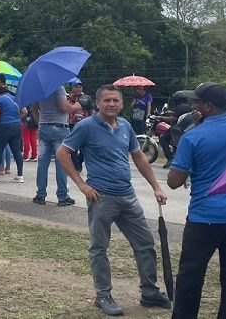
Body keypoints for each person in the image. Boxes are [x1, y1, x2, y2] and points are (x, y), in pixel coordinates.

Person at [57, 84, 171, 317]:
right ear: (98, 103)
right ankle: (103, 295)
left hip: (128, 196)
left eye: (116, 100)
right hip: (101, 197)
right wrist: (82, 184)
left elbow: (138, 156)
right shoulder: (86, 126)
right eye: (107, 100)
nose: (111, 104)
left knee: (145, 245)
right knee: (99, 248)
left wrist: (156, 187)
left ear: (121, 103)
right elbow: (62, 152)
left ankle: (149, 292)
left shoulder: (126, 126)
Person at [167, 82, 226, 318]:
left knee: (190, 278)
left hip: (204, 218)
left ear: (207, 106)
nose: (193, 105)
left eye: (197, 102)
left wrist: (186, 137)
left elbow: (174, 181)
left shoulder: (192, 136)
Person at [32, 86, 80, 206]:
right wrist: (75, 106)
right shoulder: (58, 88)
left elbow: (34, 110)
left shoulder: (39, 89)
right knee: (62, 163)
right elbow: (63, 107)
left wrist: (40, 123)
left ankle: (40, 195)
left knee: (42, 163)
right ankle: (63, 197)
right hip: (59, 127)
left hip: (44, 127)